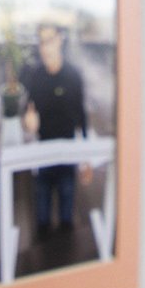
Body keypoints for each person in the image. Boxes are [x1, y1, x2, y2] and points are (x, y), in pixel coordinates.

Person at [20, 23, 91, 233]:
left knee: (67, 218)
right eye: (41, 42)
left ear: (60, 40)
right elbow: (29, 113)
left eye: (49, 41)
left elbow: (82, 116)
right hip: (43, 153)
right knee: (41, 219)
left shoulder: (73, 76)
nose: (44, 48)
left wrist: (86, 158)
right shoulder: (35, 76)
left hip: (67, 154)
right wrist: (28, 123)